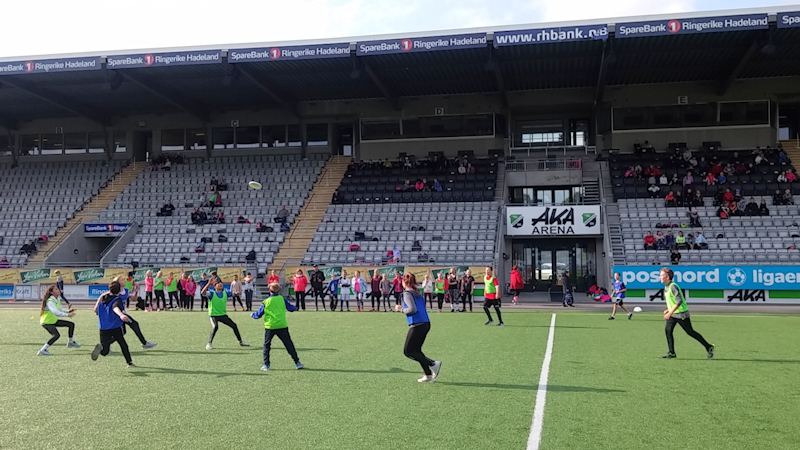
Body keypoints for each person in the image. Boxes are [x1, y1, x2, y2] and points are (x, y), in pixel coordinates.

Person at [394, 273, 441, 383]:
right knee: (417, 351)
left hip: (417, 324)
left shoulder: (407, 293)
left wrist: (400, 309)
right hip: (425, 322)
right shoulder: (417, 292)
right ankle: (428, 375)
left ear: (404, 282)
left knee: (408, 351)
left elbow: (412, 309)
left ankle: (433, 364)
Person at [659, 268, 714, 359]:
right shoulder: (666, 287)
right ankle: (671, 352)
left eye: (661, 275)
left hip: (681, 314)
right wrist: (668, 310)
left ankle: (708, 347)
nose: (660, 277)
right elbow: (673, 301)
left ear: (667, 277)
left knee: (690, 331)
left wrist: (670, 312)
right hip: (674, 313)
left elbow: (679, 300)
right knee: (668, 330)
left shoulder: (673, 286)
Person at [251, 282, 304, 371]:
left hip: (270, 326)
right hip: (282, 325)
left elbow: (258, 314)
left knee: (267, 345)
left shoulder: (266, 301)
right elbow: (290, 308)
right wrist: (295, 308)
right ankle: (297, 363)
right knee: (288, 344)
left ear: (269, 290)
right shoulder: (282, 299)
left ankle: (266, 365)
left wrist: (252, 315)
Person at [99, 277, 157, 350]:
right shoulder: (115, 292)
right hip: (117, 314)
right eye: (122, 280)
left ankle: (104, 346)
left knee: (123, 332)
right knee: (134, 324)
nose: (124, 281)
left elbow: (134, 299)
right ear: (118, 282)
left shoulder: (125, 290)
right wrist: (96, 307)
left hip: (122, 313)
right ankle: (144, 343)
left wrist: (136, 292)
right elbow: (102, 296)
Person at [90, 281, 135, 368]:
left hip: (103, 328)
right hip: (115, 326)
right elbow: (115, 307)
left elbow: (96, 310)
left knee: (105, 351)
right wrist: (121, 315)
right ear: (119, 290)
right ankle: (129, 362)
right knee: (123, 344)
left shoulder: (102, 299)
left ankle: (101, 348)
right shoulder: (117, 299)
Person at [201, 280, 250, 350]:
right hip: (213, 315)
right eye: (218, 283)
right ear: (214, 286)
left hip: (223, 315)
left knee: (234, 325)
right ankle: (209, 343)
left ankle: (241, 342)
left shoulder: (225, 293)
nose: (220, 284)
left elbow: (233, 294)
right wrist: (208, 284)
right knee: (215, 327)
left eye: (221, 283)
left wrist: (236, 293)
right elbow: (203, 292)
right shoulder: (211, 293)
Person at [37, 285, 80, 356]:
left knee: (71, 324)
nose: (58, 290)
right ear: (51, 292)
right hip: (46, 322)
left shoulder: (57, 299)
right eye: (56, 289)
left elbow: (60, 309)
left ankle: (70, 342)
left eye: (58, 289)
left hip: (52, 321)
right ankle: (42, 350)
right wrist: (67, 315)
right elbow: (55, 312)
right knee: (56, 335)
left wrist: (68, 311)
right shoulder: (50, 301)